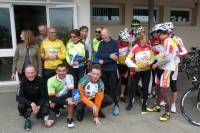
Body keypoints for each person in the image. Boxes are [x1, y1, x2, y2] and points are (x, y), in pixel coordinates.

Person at [147, 24, 178, 122]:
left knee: (164, 91)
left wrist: (156, 64)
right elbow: (162, 55)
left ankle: (167, 113)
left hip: (167, 69)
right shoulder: (164, 41)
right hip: (162, 68)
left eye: (155, 33)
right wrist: (152, 59)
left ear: (159, 32)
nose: (154, 35)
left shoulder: (169, 41)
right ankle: (157, 107)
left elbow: (169, 57)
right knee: (157, 88)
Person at [125, 26, 154, 114]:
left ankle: (144, 104)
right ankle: (130, 102)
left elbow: (152, 58)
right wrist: (135, 66)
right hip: (137, 71)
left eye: (145, 39)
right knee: (132, 87)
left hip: (147, 71)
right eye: (142, 39)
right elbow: (127, 59)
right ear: (139, 40)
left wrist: (149, 62)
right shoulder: (135, 47)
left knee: (145, 88)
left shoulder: (149, 47)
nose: (144, 41)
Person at [164, 22, 188, 113]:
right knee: (165, 85)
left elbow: (185, 51)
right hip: (165, 65)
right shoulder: (163, 40)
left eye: (167, 31)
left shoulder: (177, 39)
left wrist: (178, 53)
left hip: (174, 66)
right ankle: (165, 101)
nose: (166, 33)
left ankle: (173, 104)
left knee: (173, 85)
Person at [16, 65, 48, 131]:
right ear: (25, 73)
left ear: (36, 72)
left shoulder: (41, 80)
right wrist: (31, 104)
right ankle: (27, 118)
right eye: (28, 73)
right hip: (28, 101)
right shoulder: (23, 81)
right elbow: (19, 97)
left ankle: (40, 113)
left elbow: (44, 96)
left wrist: (38, 106)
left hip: (38, 101)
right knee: (20, 106)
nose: (30, 75)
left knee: (45, 111)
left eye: (32, 72)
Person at [96, 27, 120, 116]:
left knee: (113, 88)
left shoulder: (114, 43)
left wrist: (105, 60)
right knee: (104, 88)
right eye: (102, 35)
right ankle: (104, 104)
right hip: (103, 70)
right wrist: (109, 55)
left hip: (112, 69)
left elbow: (116, 57)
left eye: (104, 35)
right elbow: (98, 55)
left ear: (108, 34)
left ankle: (116, 105)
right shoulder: (101, 43)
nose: (103, 37)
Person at [44, 63, 75, 128]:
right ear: (56, 71)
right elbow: (52, 98)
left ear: (67, 71)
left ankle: (69, 118)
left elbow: (70, 93)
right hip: (54, 100)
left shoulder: (70, 77)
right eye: (59, 71)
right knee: (48, 124)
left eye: (64, 70)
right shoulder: (50, 80)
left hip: (63, 97)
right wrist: (65, 102)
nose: (62, 73)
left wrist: (67, 102)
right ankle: (57, 110)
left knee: (70, 99)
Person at [117, 28, 130, 101]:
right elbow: (116, 55)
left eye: (126, 41)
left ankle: (122, 95)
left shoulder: (129, 43)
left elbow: (130, 52)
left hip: (126, 64)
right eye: (124, 41)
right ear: (121, 39)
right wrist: (119, 60)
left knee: (124, 80)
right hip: (118, 64)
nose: (125, 42)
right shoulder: (117, 44)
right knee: (117, 79)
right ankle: (116, 93)